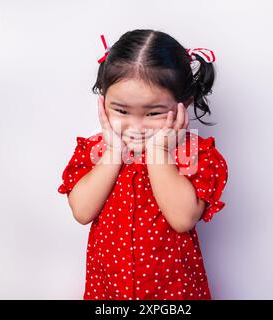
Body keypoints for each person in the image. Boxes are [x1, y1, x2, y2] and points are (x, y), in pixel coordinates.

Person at [57, 29, 228, 300]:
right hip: (110, 292)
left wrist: (158, 151)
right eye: (121, 110)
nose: (136, 126)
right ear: (103, 102)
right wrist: (114, 151)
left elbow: (183, 219)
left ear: (184, 104)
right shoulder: (96, 151)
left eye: (153, 113)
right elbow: (82, 211)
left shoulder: (195, 155)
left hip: (174, 294)